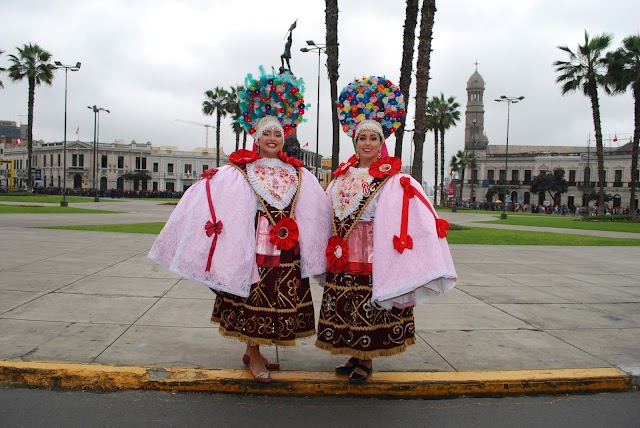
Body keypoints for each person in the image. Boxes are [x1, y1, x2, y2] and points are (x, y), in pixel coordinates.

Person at [149, 68, 331, 383]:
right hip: (255, 248)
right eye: (266, 133)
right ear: (256, 137)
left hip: (287, 251)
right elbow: (218, 200)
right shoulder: (239, 171)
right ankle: (255, 353)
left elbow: (315, 210)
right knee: (254, 300)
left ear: (283, 136)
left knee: (277, 299)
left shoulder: (299, 173)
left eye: (277, 133)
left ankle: (255, 351)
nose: (273, 139)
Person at [315, 76, 458, 383]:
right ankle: (355, 352)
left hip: (373, 255)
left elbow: (403, 213)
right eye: (362, 137)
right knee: (347, 304)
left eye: (373, 138)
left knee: (368, 305)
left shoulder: (392, 179)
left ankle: (366, 359)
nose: (367, 143)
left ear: (382, 143)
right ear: (355, 141)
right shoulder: (341, 176)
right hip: (343, 254)